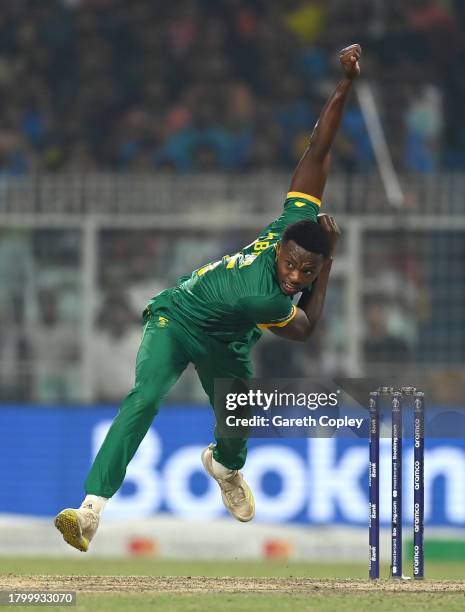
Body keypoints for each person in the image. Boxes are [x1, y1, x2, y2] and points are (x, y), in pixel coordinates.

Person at [55, 44, 362, 552]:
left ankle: (224, 468)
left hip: (226, 340)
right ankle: (89, 511)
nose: (294, 276)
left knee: (235, 427)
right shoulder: (264, 292)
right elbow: (305, 328)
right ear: (282, 245)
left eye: (306, 271)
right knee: (144, 397)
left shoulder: (294, 241)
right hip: (176, 318)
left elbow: (319, 153)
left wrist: (346, 86)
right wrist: (324, 269)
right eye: (290, 264)